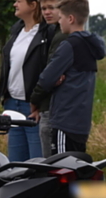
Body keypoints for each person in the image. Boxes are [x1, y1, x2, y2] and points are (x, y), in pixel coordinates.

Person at [37, 0, 104, 155]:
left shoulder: (69, 45)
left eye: (60, 18)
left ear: (71, 19)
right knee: (77, 165)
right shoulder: (92, 44)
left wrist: (54, 81)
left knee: (62, 168)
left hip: (64, 120)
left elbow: (45, 79)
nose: (58, 22)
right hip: (82, 121)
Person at [0, 0, 54, 161]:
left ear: (33, 4)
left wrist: (40, 105)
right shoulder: (16, 31)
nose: (14, 4)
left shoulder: (47, 33)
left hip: (32, 108)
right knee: (15, 164)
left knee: (36, 164)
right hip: (12, 104)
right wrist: (5, 96)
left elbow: (48, 72)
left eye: (19, 1)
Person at [29, 0, 68, 157]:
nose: (46, 12)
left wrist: (34, 100)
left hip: (51, 108)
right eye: (44, 8)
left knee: (52, 163)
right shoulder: (53, 32)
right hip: (51, 106)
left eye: (51, 8)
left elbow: (49, 76)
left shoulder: (61, 37)